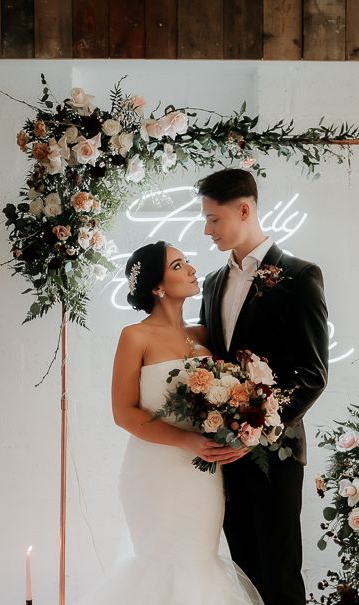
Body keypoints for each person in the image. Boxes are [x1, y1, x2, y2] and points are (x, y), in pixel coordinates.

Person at [89, 240, 263, 605]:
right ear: (157, 286)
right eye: (179, 265)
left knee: (200, 561)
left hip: (202, 473)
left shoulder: (202, 335)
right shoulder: (134, 336)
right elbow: (124, 413)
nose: (192, 269)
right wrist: (186, 442)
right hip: (154, 473)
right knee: (162, 564)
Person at [198, 168, 329, 605]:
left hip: (277, 452)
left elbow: (312, 374)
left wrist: (258, 428)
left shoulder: (300, 276)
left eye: (214, 219)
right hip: (225, 459)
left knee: (279, 574)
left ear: (245, 209)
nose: (207, 229)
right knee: (242, 576)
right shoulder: (213, 284)